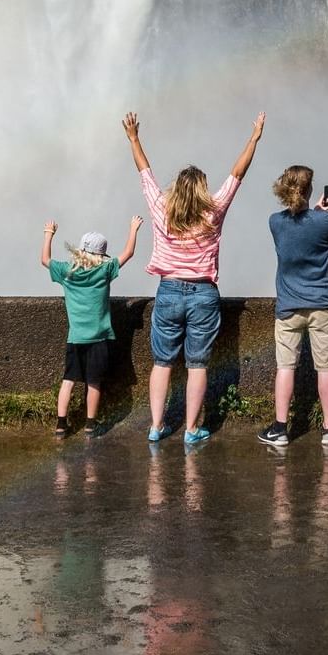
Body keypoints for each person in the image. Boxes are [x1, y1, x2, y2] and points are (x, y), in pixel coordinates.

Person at [123, 109, 265, 446]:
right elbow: (236, 174)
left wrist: (133, 138)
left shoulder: (161, 209)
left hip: (169, 291)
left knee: (162, 362)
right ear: (201, 190)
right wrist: (254, 138)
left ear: (176, 189)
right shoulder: (214, 212)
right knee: (198, 364)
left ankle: (156, 426)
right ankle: (190, 430)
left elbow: (145, 174)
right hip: (203, 294)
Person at [259, 165, 328, 448]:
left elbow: (297, 227)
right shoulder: (324, 221)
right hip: (322, 306)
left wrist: (313, 212)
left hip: (288, 307)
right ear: (310, 189)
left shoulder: (274, 222)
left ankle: (280, 429)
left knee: (285, 367)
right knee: (326, 368)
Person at [41, 216, 141, 437]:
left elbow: (45, 259)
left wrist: (49, 233)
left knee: (68, 380)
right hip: (99, 337)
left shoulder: (67, 272)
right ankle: (90, 425)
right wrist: (133, 228)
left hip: (75, 337)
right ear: (101, 254)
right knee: (93, 382)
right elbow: (129, 253)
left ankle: (60, 425)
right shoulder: (104, 271)